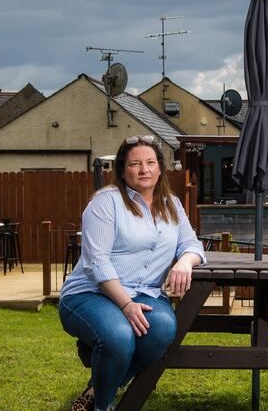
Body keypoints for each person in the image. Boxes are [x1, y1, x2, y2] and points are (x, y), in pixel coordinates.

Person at [59, 135, 205, 411]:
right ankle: (104, 405)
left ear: (160, 168)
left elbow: (191, 244)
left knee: (163, 329)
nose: (144, 170)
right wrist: (125, 304)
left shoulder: (171, 204)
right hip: (91, 294)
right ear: (123, 170)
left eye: (150, 162)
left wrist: (185, 261)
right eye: (135, 164)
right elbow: (96, 263)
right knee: (118, 335)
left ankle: (96, 390)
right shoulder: (105, 202)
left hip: (146, 293)